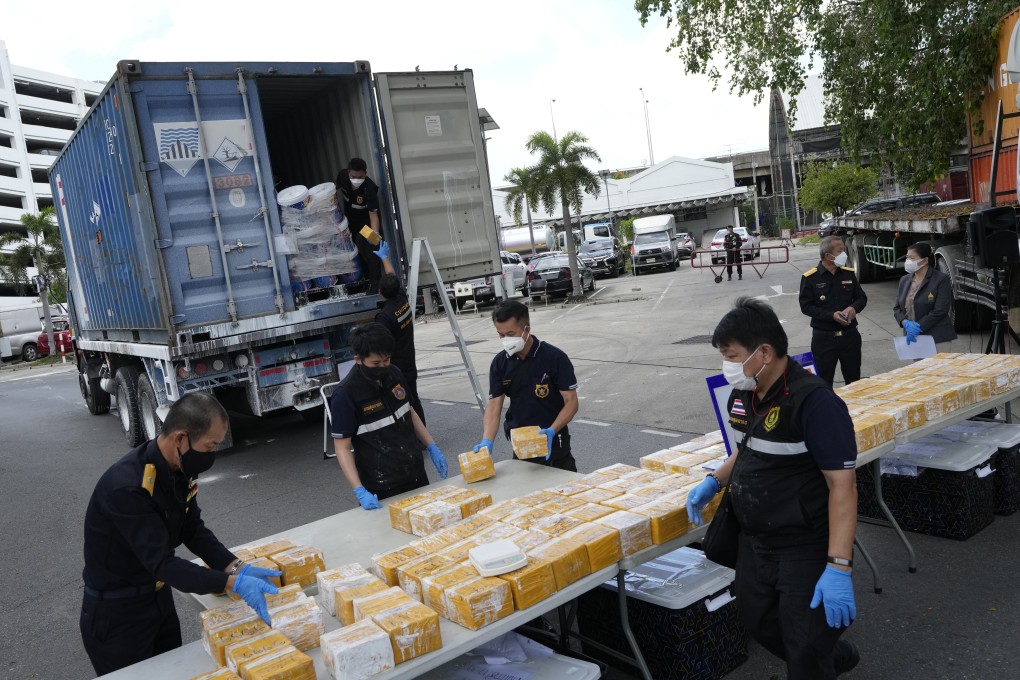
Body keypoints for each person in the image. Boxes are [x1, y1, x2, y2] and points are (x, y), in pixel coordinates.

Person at [687, 297, 860, 679]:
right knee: (757, 621)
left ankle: (818, 658)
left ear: (764, 352)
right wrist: (715, 479)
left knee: (804, 648)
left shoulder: (815, 403)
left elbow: (843, 486)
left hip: (802, 545)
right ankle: (826, 654)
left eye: (732, 356)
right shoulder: (744, 395)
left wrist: (839, 566)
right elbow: (748, 447)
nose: (728, 367)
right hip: (755, 541)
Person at [80, 393, 281, 675]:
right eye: (210, 445)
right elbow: (162, 563)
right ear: (180, 438)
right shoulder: (127, 489)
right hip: (118, 617)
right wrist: (232, 583)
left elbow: (192, 530)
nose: (212, 454)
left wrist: (238, 566)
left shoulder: (179, 468)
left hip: (158, 603)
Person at [330, 322, 447, 509]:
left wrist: (431, 445)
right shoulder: (345, 395)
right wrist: (359, 489)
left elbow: (408, 411)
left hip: (415, 473)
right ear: (358, 359)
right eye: (376, 363)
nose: (383, 367)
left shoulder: (394, 374)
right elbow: (342, 448)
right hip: (381, 485)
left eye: (387, 360)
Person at [473, 300, 579, 471]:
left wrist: (552, 431)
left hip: (555, 445)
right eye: (501, 335)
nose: (506, 340)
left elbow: (571, 402)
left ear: (526, 329)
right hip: (521, 449)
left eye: (510, 334)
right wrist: (487, 441)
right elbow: (494, 406)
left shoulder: (554, 358)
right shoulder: (500, 363)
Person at [799, 236, 868, 386]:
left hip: (850, 336)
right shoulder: (810, 278)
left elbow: (861, 298)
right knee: (823, 382)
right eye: (840, 251)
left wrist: (853, 308)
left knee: (854, 380)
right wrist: (831, 316)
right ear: (827, 255)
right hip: (824, 338)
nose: (844, 254)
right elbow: (806, 306)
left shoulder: (848, 274)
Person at [373, 240, 424, 424]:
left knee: (402, 401)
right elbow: (392, 277)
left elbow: (381, 344)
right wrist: (385, 258)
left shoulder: (384, 317)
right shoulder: (402, 300)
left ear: (381, 293)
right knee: (413, 398)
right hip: (409, 360)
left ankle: (415, 437)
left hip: (396, 367)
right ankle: (422, 436)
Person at [893, 242, 957, 353]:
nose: (908, 261)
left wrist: (918, 327)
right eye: (907, 257)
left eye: (912, 258)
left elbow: (940, 310)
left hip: (937, 338)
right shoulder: (904, 280)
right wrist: (905, 323)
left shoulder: (941, 279)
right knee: (918, 369)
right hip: (913, 338)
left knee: (937, 369)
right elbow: (897, 308)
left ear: (925, 260)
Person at [336, 157, 382, 291]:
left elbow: (373, 215)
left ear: (365, 174)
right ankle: (360, 279)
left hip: (365, 222)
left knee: (371, 248)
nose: (356, 179)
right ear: (348, 173)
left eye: (360, 177)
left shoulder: (369, 189)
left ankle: (375, 283)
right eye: (353, 176)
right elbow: (335, 187)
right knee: (351, 249)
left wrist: (375, 235)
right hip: (349, 220)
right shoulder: (343, 176)